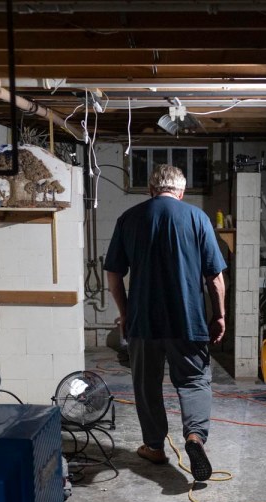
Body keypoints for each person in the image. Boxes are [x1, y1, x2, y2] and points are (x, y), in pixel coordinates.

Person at [104, 164, 227, 482]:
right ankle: (194, 438)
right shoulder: (197, 218)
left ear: (150, 189)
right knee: (195, 381)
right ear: (181, 191)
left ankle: (155, 446)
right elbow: (215, 277)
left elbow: (114, 274)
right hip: (189, 319)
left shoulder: (129, 218)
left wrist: (126, 312)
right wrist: (220, 314)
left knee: (146, 384)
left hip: (145, 320)